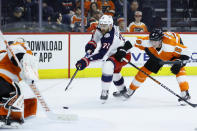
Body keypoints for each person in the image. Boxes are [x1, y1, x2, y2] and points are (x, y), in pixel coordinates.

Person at [115, 28, 192, 105]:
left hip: (173, 53)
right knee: (143, 72)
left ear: (161, 40)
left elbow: (187, 52)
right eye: (152, 41)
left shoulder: (170, 45)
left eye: (155, 41)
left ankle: (185, 93)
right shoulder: (147, 42)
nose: (153, 43)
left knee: (179, 69)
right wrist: (124, 50)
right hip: (158, 55)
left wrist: (180, 63)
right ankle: (130, 91)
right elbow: (132, 41)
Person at [75, 15, 133, 103]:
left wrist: (86, 60)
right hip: (114, 53)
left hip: (123, 55)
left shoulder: (110, 37)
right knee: (115, 73)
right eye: (101, 25)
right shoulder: (101, 28)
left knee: (108, 66)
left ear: (110, 26)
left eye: (104, 26)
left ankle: (105, 91)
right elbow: (94, 39)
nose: (102, 27)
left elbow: (101, 55)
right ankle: (122, 90)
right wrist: (90, 48)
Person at [0, 36, 38, 127]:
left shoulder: (3, 54)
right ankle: (5, 116)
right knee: (15, 93)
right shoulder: (19, 47)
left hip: (4, 83)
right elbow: (17, 51)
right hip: (3, 82)